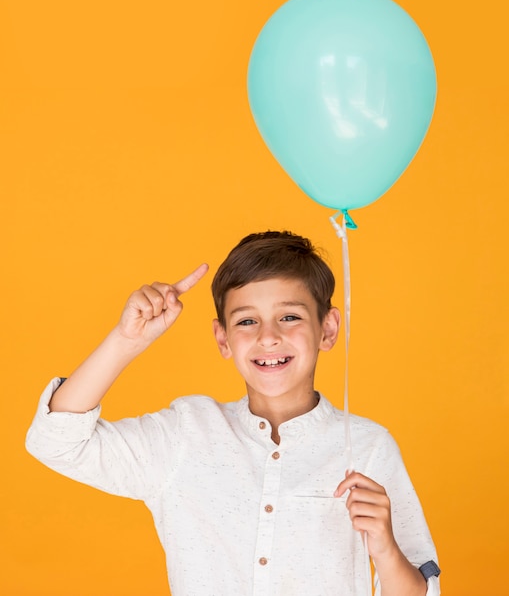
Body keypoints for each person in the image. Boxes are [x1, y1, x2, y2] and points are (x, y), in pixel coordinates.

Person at [26, 231, 440, 596]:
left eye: (290, 317)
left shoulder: (368, 447)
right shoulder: (185, 434)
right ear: (223, 339)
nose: (269, 337)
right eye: (247, 321)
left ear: (328, 329)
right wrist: (126, 340)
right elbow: (55, 441)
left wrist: (385, 548)